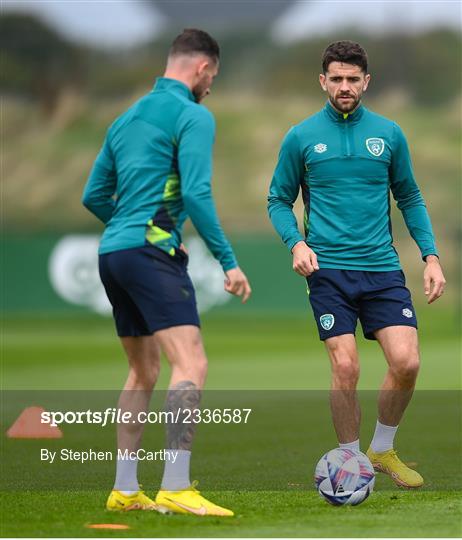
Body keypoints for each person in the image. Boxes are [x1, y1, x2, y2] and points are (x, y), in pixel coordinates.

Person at [82, 28, 251, 516]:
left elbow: (93, 196)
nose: (211, 86)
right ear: (201, 68)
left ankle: (125, 489)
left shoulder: (125, 117)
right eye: (213, 76)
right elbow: (197, 194)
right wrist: (228, 260)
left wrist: (126, 227)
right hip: (152, 252)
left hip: (112, 253)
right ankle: (176, 485)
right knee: (191, 364)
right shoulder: (193, 115)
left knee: (143, 370)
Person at [268, 41, 445, 488]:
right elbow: (277, 200)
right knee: (345, 366)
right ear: (322, 81)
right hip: (328, 271)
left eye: (352, 79)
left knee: (407, 363)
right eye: (336, 78)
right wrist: (295, 243)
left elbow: (409, 197)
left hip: (382, 268)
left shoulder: (388, 133)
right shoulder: (301, 136)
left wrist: (431, 256)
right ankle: (349, 463)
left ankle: (382, 449)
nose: (344, 86)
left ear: (366, 81)